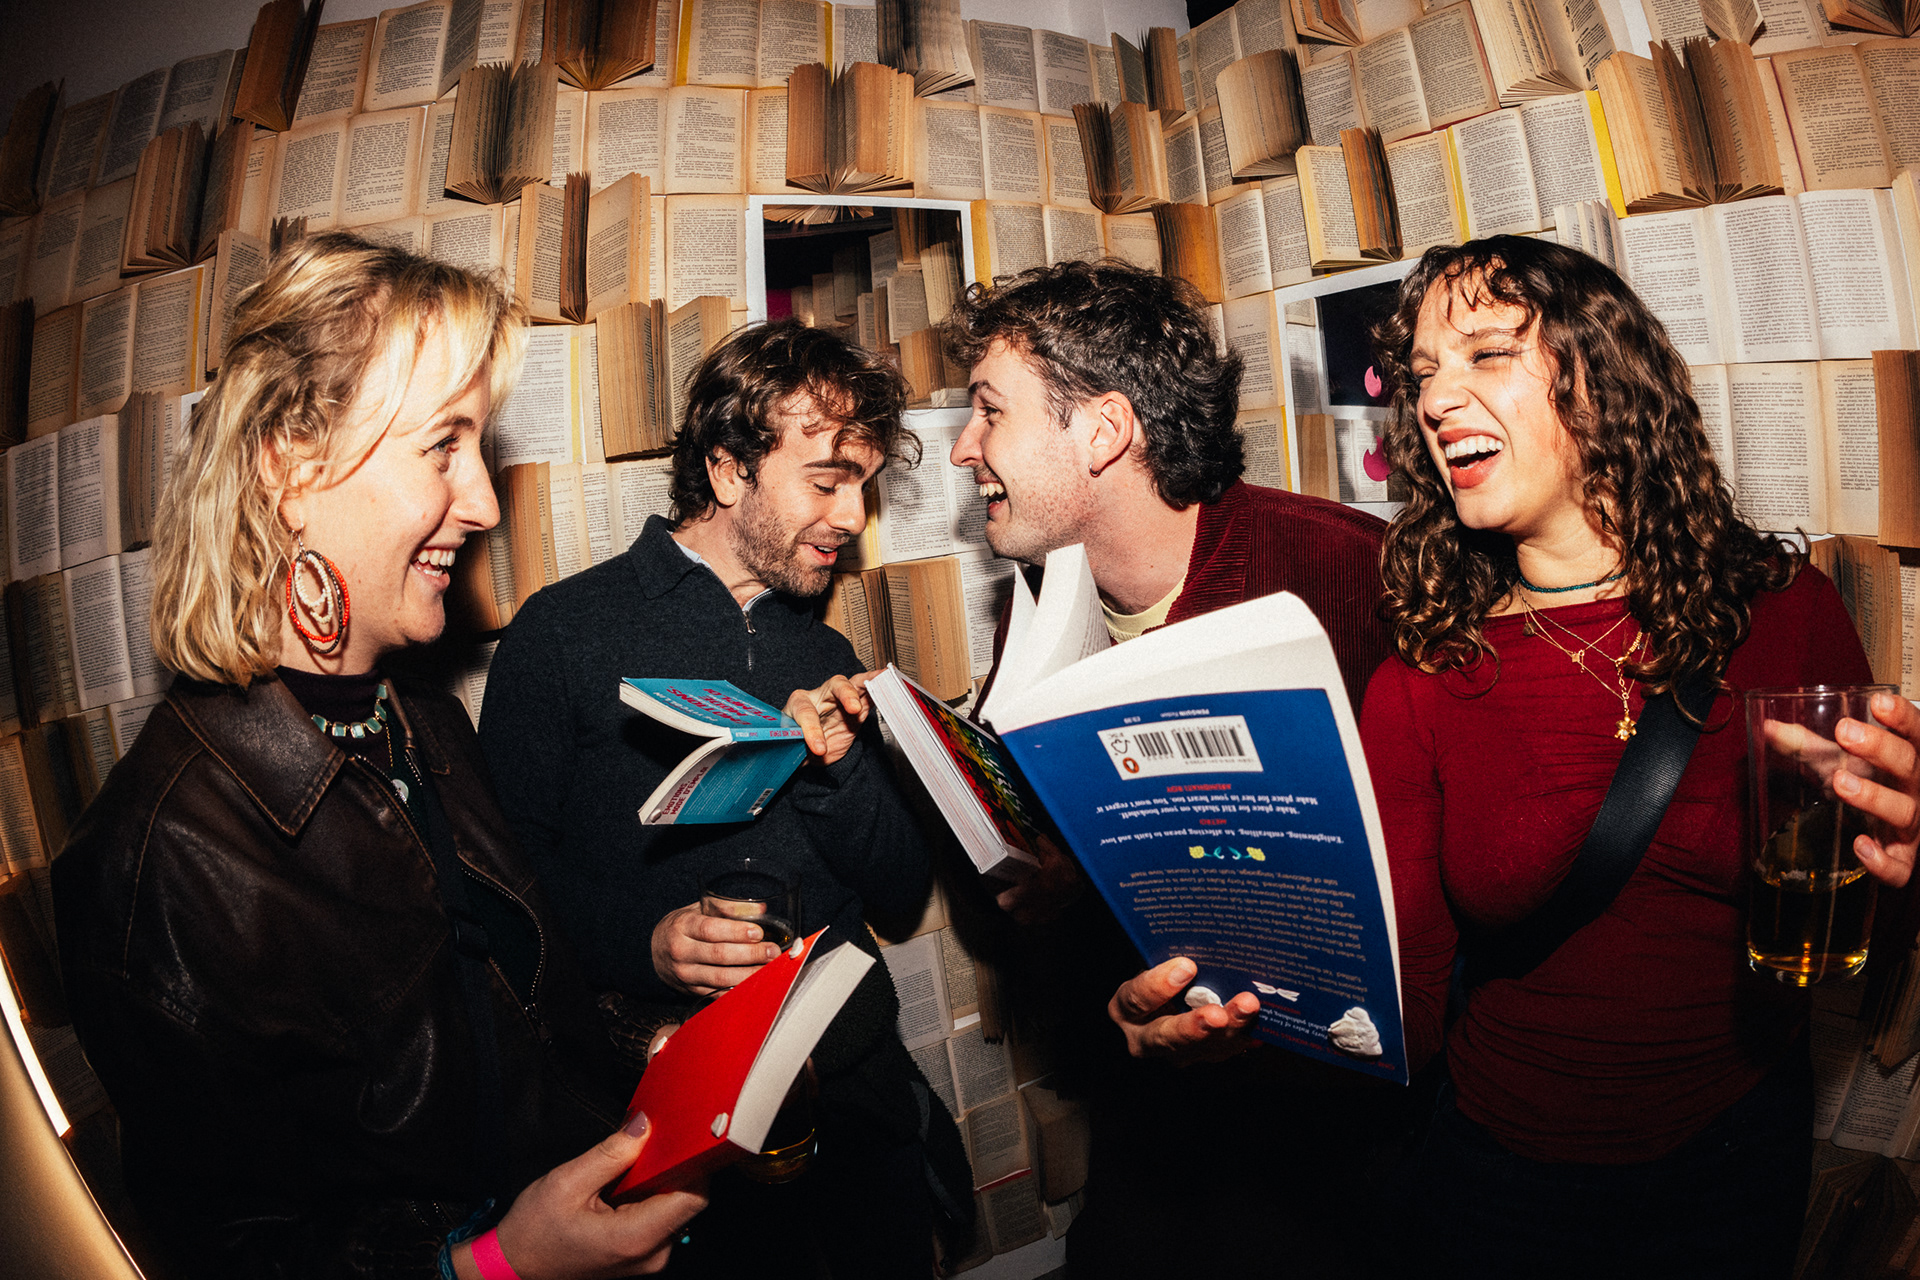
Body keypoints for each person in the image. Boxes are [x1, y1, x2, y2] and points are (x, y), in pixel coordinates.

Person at [1116, 235, 1920, 1277]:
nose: (1436, 399)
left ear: (1604, 378)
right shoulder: (1426, 676)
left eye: (1487, 354)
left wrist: (1908, 855)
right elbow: (1398, 1006)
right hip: (1504, 1188)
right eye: (1421, 376)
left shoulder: (1784, 614)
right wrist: (1234, 1023)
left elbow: (1862, 912)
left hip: (1739, 1153)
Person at [52, 234, 707, 1280]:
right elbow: (236, 1253)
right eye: (443, 445)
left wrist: (666, 1054)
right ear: (291, 464)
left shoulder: (426, 719)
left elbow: (511, 1012)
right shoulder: (155, 860)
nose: (484, 501)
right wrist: (489, 1265)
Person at [939, 260, 1403, 1277]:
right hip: (1150, 1114)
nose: (964, 447)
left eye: (989, 410)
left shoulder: (1347, 574)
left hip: (1336, 1147)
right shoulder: (1036, 610)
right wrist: (1057, 879)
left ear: (1103, 431)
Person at [479, 319, 968, 1277]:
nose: (852, 517)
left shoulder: (826, 650)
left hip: (855, 1104)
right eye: (827, 482)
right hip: (672, 1127)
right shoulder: (563, 634)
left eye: (863, 487)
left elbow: (900, 886)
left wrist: (834, 767)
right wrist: (645, 943)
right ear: (729, 469)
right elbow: (502, 897)